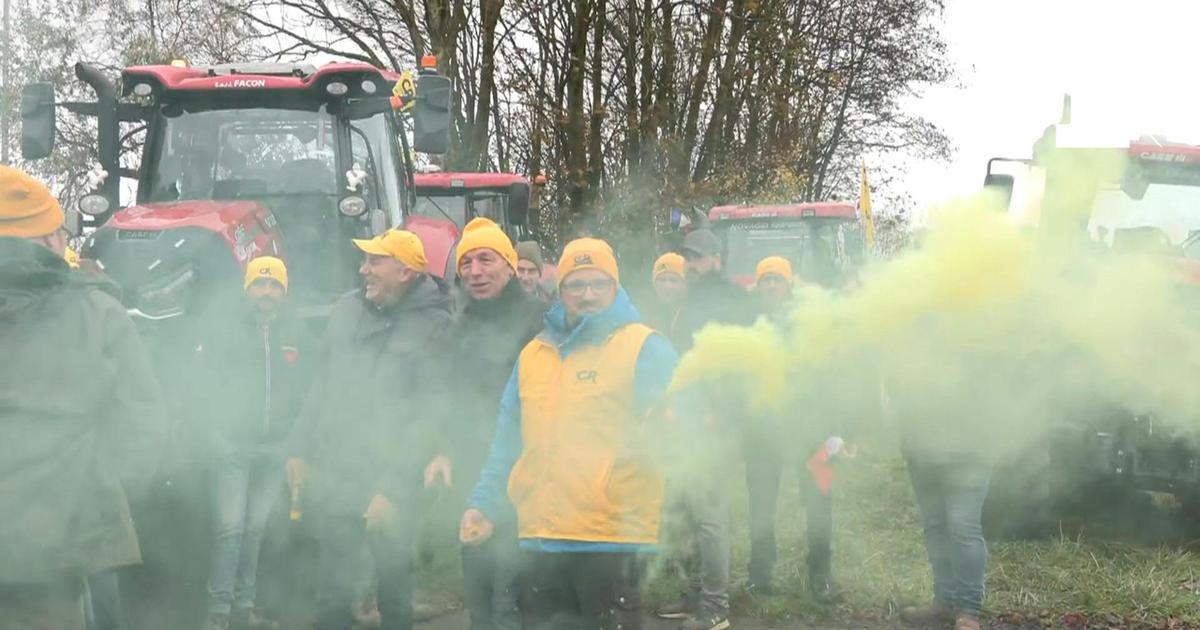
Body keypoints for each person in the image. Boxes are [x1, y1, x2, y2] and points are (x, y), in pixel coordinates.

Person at [460, 237, 679, 630]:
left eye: (598, 283)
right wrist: (484, 503)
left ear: (615, 287)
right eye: (576, 285)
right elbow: (508, 440)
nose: (588, 294)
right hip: (539, 537)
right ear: (560, 290)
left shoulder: (644, 347)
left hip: (610, 537)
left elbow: (682, 422)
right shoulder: (534, 354)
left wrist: (672, 420)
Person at [0, 166, 167, 630]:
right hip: (58, 562)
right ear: (52, 241)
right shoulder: (97, 314)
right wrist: (101, 502)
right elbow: (144, 425)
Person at [286, 229, 452, 630]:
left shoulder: (437, 324)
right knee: (331, 597)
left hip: (393, 482)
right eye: (365, 261)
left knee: (394, 594)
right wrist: (298, 449)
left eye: (375, 261)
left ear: (406, 271)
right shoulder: (346, 310)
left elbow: (430, 415)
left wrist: (393, 492)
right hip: (338, 472)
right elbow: (321, 384)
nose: (364, 270)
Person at [433, 218, 547, 630]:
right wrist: (443, 448)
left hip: (527, 469)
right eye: (466, 263)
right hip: (472, 469)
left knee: (518, 593)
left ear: (511, 265)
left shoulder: (539, 319)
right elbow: (448, 393)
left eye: (486, 259)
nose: (475, 272)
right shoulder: (460, 323)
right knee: (479, 585)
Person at [199, 256, 310, 630]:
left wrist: (296, 441)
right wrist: (214, 431)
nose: (266, 292)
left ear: (284, 290)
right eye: (259, 285)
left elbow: (306, 391)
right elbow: (202, 385)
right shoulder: (224, 329)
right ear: (247, 289)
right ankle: (218, 612)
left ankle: (244, 609)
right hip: (231, 444)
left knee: (255, 528)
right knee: (229, 527)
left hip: (275, 447)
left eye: (274, 285)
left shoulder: (297, 333)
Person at [657, 228, 752, 630]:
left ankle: (715, 608)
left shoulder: (731, 300)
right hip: (685, 423)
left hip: (715, 426)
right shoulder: (691, 301)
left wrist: (719, 413)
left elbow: (743, 364)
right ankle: (695, 593)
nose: (691, 265)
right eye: (687, 258)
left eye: (698, 258)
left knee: (710, 517)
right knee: (687, 511)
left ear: (717, 257)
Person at [741, 257, 840, 602]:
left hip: (809, 432)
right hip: (762, 433)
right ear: (757, 286)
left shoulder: (810, 320)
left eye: (777, 281)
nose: (770, 286)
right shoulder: (747, 321)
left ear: (788, 285)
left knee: (818, 505)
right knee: (761, 508)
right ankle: (760, 574)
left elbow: (831, 374)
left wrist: (835, 429)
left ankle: (821, 577)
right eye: (765, 280)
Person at [642, 252, 686, 338]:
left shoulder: (693, 314)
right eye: (662, 280)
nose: (667, 286)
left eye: (674, 280)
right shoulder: (643, 314)